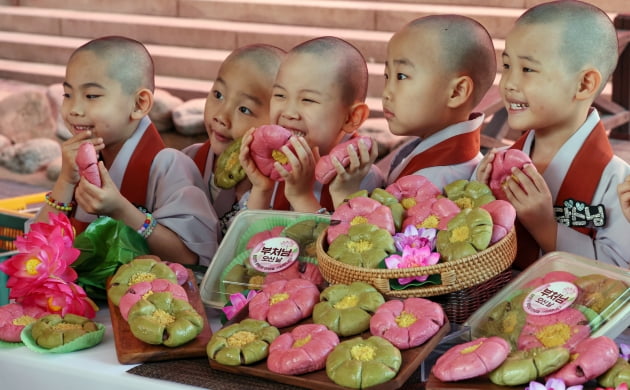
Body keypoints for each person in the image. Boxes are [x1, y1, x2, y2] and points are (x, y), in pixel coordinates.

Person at [34, 36, 219, 266]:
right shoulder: (82, 161)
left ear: (139, 104)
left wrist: (121, 210)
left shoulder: (168, 165)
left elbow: (190, 257)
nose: (74, 109)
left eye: (91, 96)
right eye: (68, 95)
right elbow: (34, 252)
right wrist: (65, 181)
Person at [476, 0, 630, 269]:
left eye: (527, 69)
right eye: (508, 66)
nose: (509, 84)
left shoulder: (616, 181)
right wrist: (477, 195)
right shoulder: (495, 163)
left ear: (584, 84)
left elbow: (616, 271)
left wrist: (546, 226)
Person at [239, 36, 384, 212]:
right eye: (280, 95)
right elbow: (244, 236)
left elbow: (342, 238)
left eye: (308, 100)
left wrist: (301, 196)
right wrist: (262, 189)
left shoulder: (359, 177)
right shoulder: (273, 161)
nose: (289, 113)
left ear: (351, 117)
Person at [382, 14, 496, 189]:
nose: (387, 93)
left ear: (456, 92)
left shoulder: (435, 181)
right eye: (387, 76)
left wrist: (344, 193)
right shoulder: (437, 155)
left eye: (401, 76)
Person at [183, 44, 285, 236]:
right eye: (218, 95)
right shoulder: (187, 161)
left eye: (244, 109)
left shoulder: (288, 184)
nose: (221, 116)